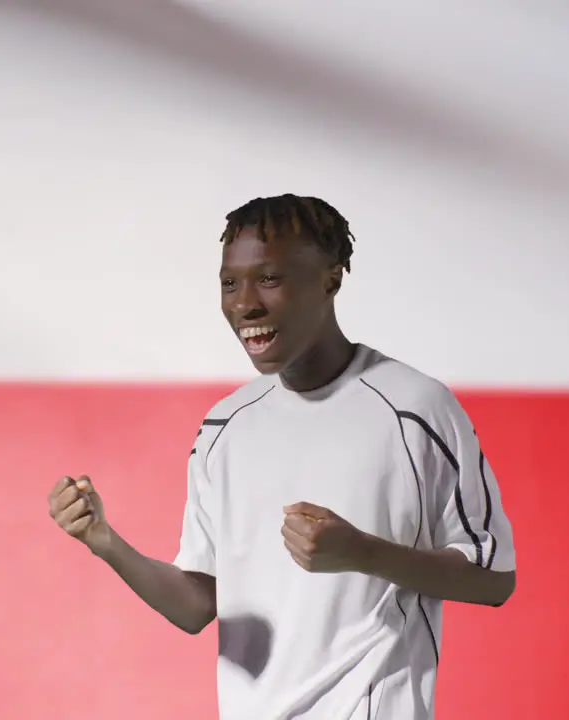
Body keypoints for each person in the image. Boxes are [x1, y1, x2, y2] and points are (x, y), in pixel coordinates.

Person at [46, 194, 517, 719]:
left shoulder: (415, 409)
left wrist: (360, 552)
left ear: (331, 280)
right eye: (230, 282)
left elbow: (493, 578)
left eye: (269, 278)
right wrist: (107, 543)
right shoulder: (225, 427)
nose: (244, 303)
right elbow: (198, 604)